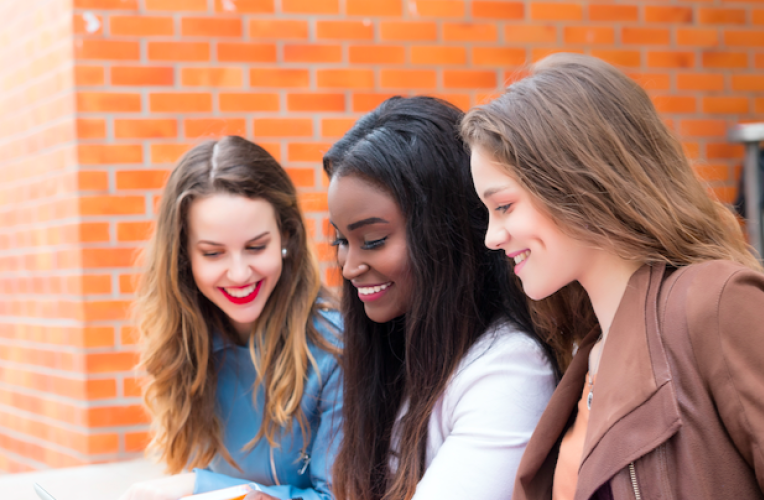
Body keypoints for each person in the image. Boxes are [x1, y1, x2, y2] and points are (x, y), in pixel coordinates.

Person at [461, 53, 764, 500]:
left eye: (503, 206)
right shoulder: (587, 350)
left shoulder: (720, 306)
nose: (492, 237)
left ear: (576, 183)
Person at [323, 96, 564, 500]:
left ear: (444, 230)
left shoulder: (509, 370)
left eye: (373, 240)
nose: (349, 267)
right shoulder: (396, 352)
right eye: (342, 240)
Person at [121, 136, 343, 500]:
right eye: (213, 253)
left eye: (256, 247)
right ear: (183, 256)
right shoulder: (187, 345)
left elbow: (339, 496)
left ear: (286, 238)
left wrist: (198, 484)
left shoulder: (334, 348)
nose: (239, 274)